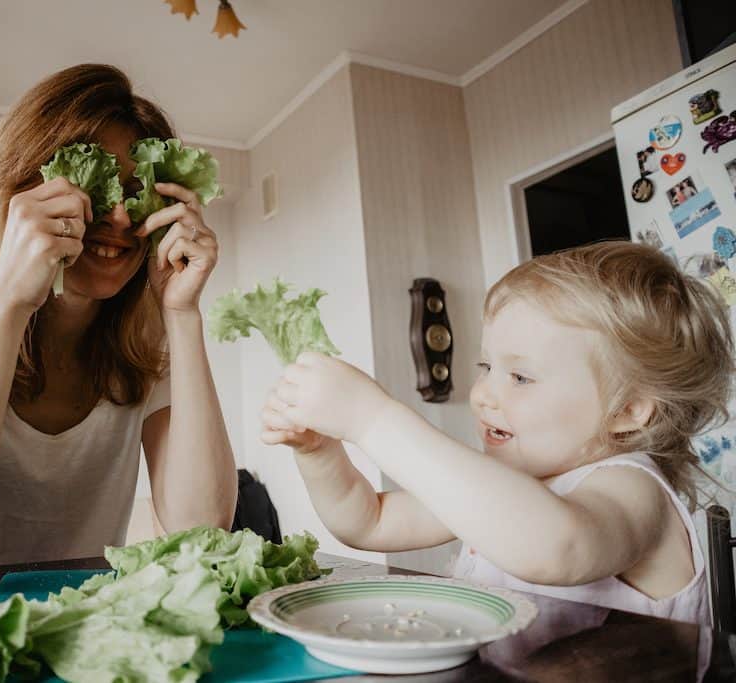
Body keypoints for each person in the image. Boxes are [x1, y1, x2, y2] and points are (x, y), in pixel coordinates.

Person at [0, 64, 237, 589]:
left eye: (138, 193)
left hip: (90, 637)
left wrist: (183, 315)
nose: (121, 219)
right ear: (20, 187)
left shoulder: (150, 340)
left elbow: (201, 532)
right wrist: (9, 300)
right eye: (93, 184)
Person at [261, 241, 733, 624]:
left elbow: (557, 547)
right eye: (487, 365)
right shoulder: (507, 485)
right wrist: (321, 453)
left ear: (628, 410)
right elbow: (370, 522)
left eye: (520, 377)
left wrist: (372, 418)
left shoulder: (634, 488)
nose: (483, 393)